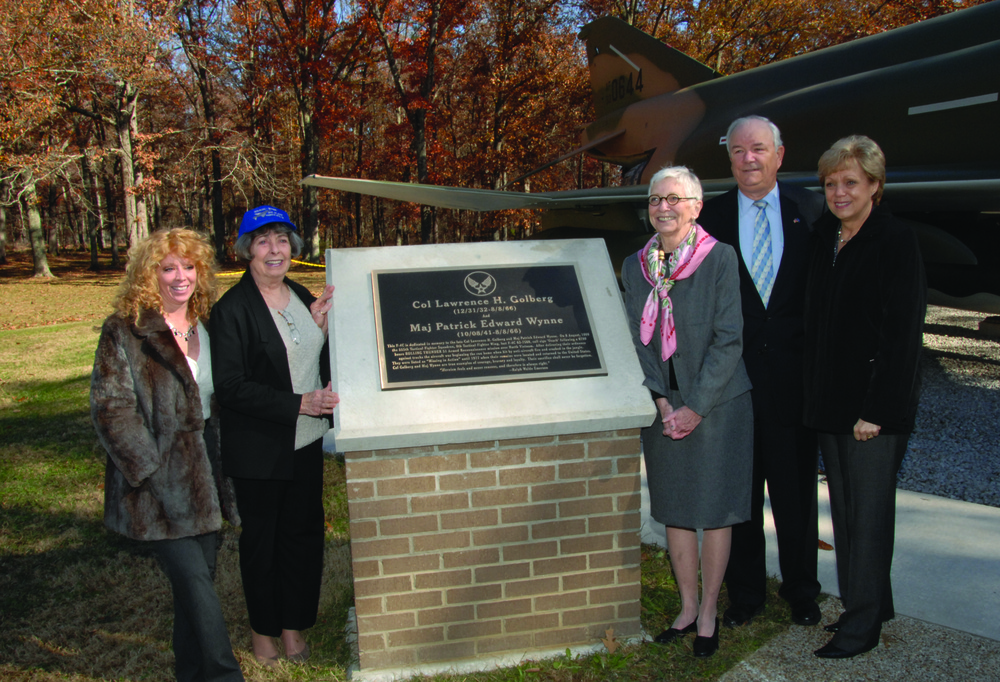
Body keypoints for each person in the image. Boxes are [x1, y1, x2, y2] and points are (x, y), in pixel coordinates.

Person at [90, 228, 244, 682]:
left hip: (209, 479)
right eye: (168, 268)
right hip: (155, 489)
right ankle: (224, 674)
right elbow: (111, 409)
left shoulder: (209, 326)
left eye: (189, 266)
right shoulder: (126, 330)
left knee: (195, 589)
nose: (181, 277)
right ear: (148, 274)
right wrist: (152, 471)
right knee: (196, 585)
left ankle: (190, 674)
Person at [697, 115, 826, 628]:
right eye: (738, 151)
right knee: (741, 496)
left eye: (759, 149)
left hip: (795, 382)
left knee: (795, 493)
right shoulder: (711, 219)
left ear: (779, 154)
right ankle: (745, 595)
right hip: (734, 383)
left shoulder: (813, 211)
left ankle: (802, 591)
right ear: (729, 159)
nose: (748, 159)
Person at [623, 166, 753, 658]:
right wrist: (660, 400)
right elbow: (634, 336)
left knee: (715, 510)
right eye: (656, 199)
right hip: (663, 404)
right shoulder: (634, 264)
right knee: (676, 509)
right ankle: (686, 606)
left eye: (674, 199)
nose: (663, 208)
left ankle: (710, 612)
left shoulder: (719, 258)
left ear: (696, 207)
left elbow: (729, 339)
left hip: (717, 404)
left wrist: (695, 407)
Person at [804, 135, 925, 658]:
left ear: (875, 186)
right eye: (831, 183)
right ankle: (870, 602)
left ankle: (862, 626)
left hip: (873, 410)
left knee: (870, 517)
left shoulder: (896, 241)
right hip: (833, 404)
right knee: (849, 514)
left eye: (850, 182)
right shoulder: (824, 237)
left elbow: (902, 336)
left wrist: (875, 412)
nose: (839, 192)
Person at [210, 205, 338, 667]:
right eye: (263, 241)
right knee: (262, 543)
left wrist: (318, 329)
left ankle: (292, 625)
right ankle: (263, 631)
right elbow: (231, 386)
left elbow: (303, 357)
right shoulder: (231, 310)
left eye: (282, 240)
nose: (274, 250)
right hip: (260, 449)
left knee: (301, 538)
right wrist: (298, 403)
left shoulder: (302, 294)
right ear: (246, 250)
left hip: (304, 444)